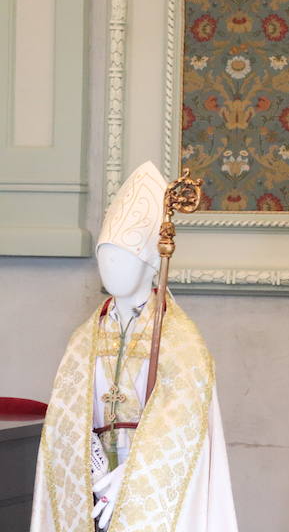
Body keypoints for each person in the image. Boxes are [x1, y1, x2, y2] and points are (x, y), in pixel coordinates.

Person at [30, 161, 239, 531]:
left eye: (120, 258)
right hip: (92, 474)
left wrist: (131, 475)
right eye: (103, 257)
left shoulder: (179, 340)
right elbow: (66, 417)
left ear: (148, 264)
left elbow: (182, 431)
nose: (109, 268)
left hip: (143, 471)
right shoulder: (85, 339)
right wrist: (90, 470)